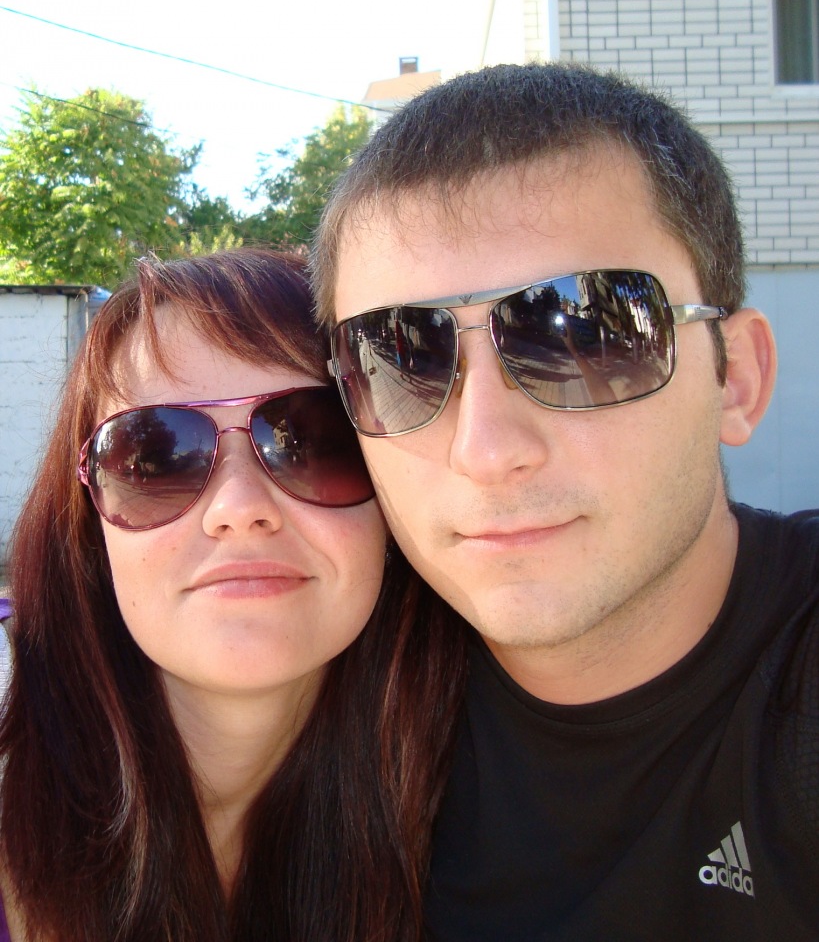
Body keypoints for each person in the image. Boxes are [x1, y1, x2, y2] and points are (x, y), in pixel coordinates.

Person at [311, 63, 819, 940]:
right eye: (401, 359)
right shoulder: (332, 718)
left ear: (735, 378)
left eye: (584, 333)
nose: (485, 449)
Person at [0, 249, 464, 942]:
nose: (239, 508)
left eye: (312, 441)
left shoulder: (490, 806)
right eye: (154, 457)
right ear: (89, 526)